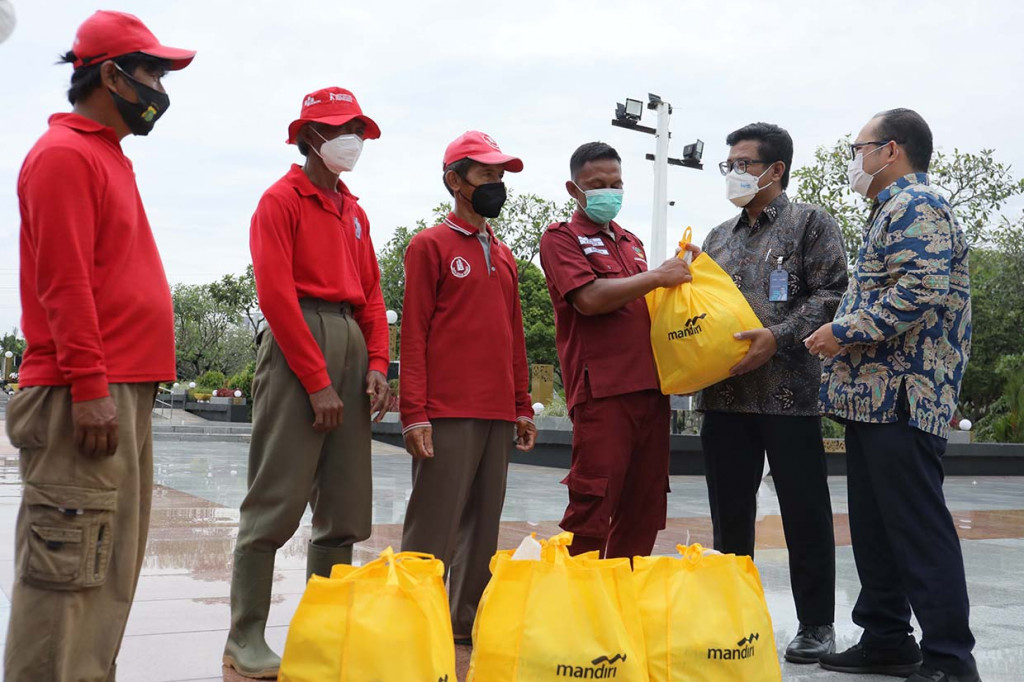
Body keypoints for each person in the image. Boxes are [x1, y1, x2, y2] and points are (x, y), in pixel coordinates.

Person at [5, 10, 194, 681]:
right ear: (110, 74)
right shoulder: (64, 156)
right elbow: (64, 281)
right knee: (65, 575)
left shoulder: (106, 155)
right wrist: (89, 387)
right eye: (152, 74)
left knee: (105, 574)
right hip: (82, 393)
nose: (159, 90)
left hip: (121, 390)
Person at [223, 87, 391, 678]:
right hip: (300, 344)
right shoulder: (280, 201)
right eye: (343, 129)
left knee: (344, 506)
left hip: (349, 340)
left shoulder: (356, 212)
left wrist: (376, 366)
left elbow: (372, 296)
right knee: (275, 499)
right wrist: (317, 381)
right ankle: (245, 637)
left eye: (359, 129)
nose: (355, 141)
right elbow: (274, 295)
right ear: (311, 137)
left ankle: (324, 630)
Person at [807, 108, 978, 682]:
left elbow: (923, 290)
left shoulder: (916, 205)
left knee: (917, 528)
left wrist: (842, 330)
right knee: (877, 526)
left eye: (860, 147)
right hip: (874, 399)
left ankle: (951, 660)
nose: (855, 158)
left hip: (903, 394)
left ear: (892, 150)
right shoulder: (889, 211)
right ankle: (885, 638)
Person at [698, 122, 847, 663]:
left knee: (804, 511)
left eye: (743, 163)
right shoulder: (716, 238)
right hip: (726, 397)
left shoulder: (811, 224)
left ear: (775, 169)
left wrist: (778, 337)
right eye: (729, 164)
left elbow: (834, 294)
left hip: (791, 394)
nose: (734, 173)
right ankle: (730, 614)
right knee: (728, 512)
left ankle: (816, 625)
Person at [400, 131, 538, 644]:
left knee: (483, 529)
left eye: (500, 176)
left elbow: (514, 338)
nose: (496, 184)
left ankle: (463, 625)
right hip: (448, 411)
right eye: (486, 174)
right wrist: (414, 412)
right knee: (432, 527)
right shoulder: (429, 245)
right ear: (455, 180)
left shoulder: (503, 256)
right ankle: (412, 624)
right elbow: (412, 334)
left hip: (498, 413)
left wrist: (522, 405)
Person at [539, 142, 697, 559]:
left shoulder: (632, 243)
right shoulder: (562, 238)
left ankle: (624, 600)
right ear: (574, 190)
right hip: (603, 392)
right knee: (593, 504)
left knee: (645, 506)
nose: (609, 192)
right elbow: (589, 299)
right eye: (597, 185)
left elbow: (647, 304)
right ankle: (582, 604)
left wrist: (680, 269)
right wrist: (658, 277)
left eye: (616, 184)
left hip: (652, 388)